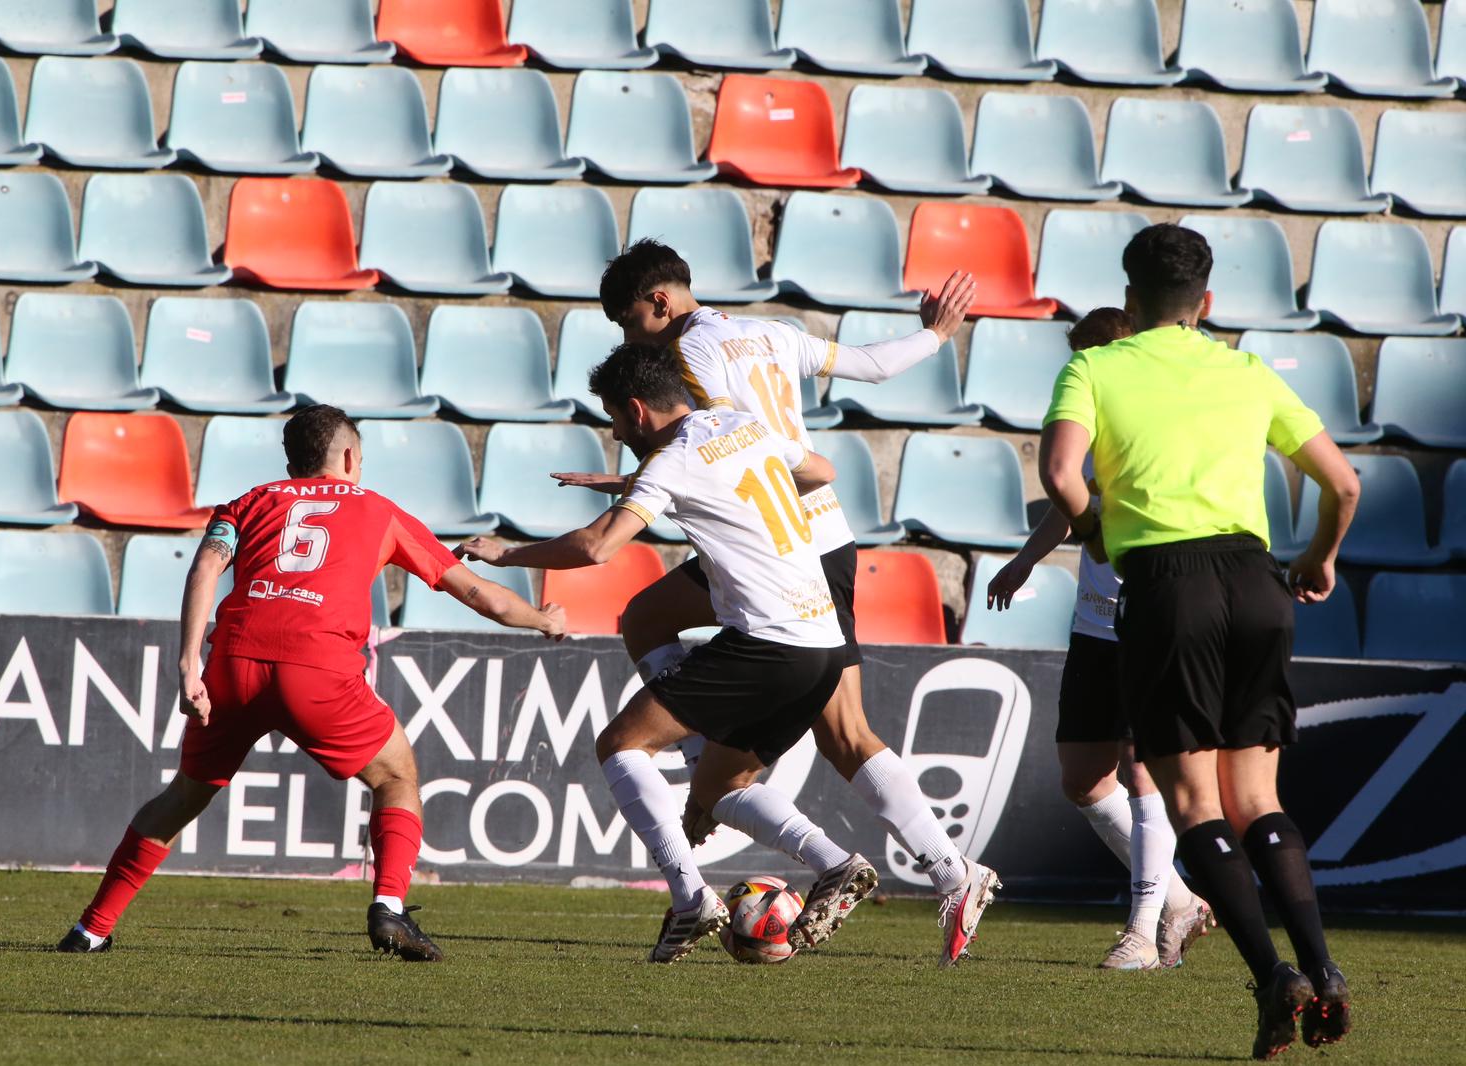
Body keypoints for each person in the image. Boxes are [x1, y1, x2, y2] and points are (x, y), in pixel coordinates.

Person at [554, 239, 999, 967]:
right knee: (842, 729)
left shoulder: (688, 361)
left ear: (660, 304)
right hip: (825, 530)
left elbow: (718, 453)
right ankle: (951, 873)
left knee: (655, 628)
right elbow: (871, 365)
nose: (633, 339)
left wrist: (641, 491)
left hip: (777, 537)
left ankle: (945, 869)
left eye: (631, 323)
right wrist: (937, 335)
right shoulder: (767, 331)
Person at [57, 406, 567, 960]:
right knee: (397, 777)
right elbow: (478, 594)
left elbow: (205, 568)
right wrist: (544, 619)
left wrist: (187, 665)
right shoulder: (380, 511)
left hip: (234, 663)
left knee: (181, 798)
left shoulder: (247, 502)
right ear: (350, 457)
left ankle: (91, 929)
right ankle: (389, 909)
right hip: (317, 668)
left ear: (292, 460)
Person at [1039, 224, 1360, 1060]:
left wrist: (1096, 531)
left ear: (1130, 299)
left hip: (1167, 588)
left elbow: (1060, 475)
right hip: (1258, 583)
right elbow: (1344, 481)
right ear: (1205, 303)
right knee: (1260, 799)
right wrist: (1318, 556)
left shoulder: (1095, 367)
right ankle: (1325, 970)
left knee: (1193, 803)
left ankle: (1272, 979)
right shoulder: (1246, 369)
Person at [461, 342, 873, 963]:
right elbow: (819, 471)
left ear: (635, 410)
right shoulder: (742, 423)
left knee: (620, 744)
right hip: (823, 642)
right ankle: (837, 864)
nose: (618, 433)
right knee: (719, 787)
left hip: (767, 642)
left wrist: (508, 555)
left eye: (614, 420)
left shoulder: (672, 459)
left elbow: (600, 546)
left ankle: (690, 898)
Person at [986, 307, 1212, 972]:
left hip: (1153, 615)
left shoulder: (1165, 420)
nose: (1084, 373)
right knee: (1083, 779)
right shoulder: (1094, 420)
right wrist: (1028, 558)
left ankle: (1142, 930)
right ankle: (1180, 901)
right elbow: (1071, 499)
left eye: (1093, 358)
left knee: (1143, 766)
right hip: (1095, 622)